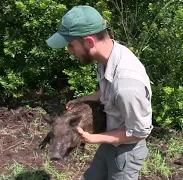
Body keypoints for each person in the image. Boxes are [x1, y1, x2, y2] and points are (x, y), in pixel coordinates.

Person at [45, 5, 153, 180]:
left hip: (126, 149)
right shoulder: (108, 57)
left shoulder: (127, 84)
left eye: (71, 45)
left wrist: (93, 138)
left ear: (89, 42)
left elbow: (139, 132)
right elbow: (109, 90)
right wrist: (84, 99)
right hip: (112, 137)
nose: (69, 51)